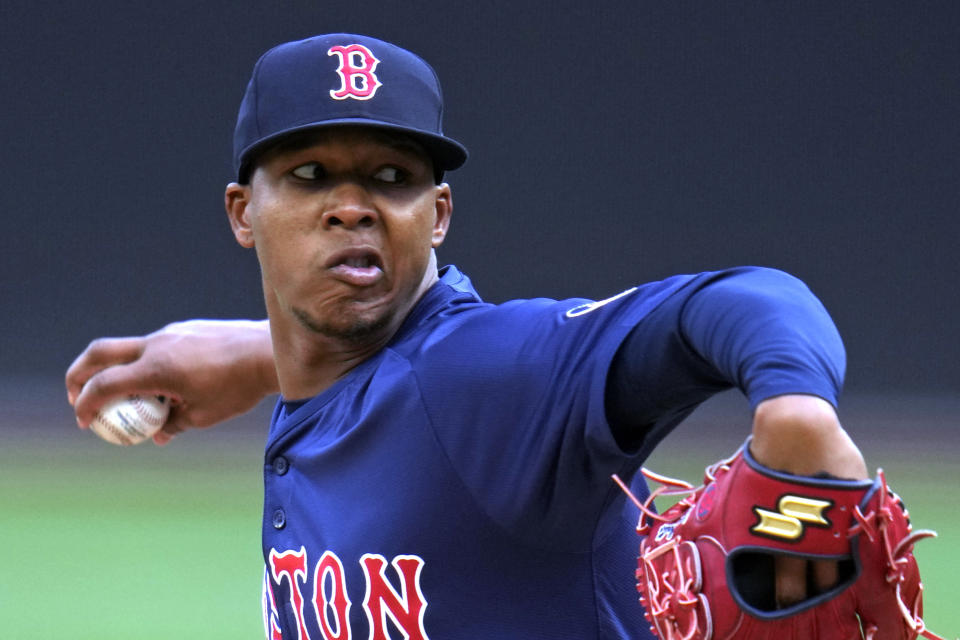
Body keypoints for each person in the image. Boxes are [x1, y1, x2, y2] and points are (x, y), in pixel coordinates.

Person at [66, 34, 869, 639]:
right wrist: (258, 357)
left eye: (392, 177)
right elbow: (380, 379)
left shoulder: (496, 377)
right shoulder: (334, 378)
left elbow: (750, 299)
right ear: (245, 212)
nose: (353, 205)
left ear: (439, 215)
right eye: (311, 173)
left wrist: (796, 407)